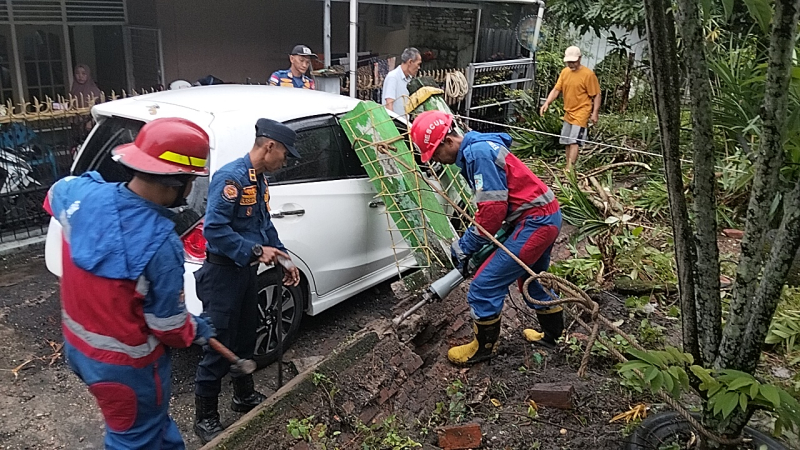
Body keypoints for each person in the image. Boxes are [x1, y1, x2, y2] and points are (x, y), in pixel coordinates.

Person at [43, 117, 216, 449]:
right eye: (192, 180)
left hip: (79, 351)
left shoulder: (77, 192)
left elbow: (53, 197)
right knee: (132, 439)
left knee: (150, 427)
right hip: (127, 371)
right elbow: (167, 326)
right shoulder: (161, 244)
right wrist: (196, 330)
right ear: (177, 181)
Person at [410, 110, 565, 366]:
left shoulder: (477, 154)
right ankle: (553, 338)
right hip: (543, 216)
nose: (436, 159)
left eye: (436, 153)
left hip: (534, 222)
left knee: (483, 285)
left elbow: (493, 211)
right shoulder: (478, 146)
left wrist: (465, 245)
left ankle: (483, 349)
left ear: (449, 141)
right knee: (533, 280)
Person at [193, 118, 302, 443]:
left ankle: (243, 396)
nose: (285, 161)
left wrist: (283, 257)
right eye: (284, 154)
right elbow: (214, 229)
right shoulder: (231, 178)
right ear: (269, 146)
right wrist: (255, 249)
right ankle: (206, 416)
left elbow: (265, 226)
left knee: (246, 337)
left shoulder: (259, 181)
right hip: (222, 275)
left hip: (245, 273)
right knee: (219, 343)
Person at [539, 46, 601, 171]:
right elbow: (557, 89)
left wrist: (594, 113)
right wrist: (547, 103)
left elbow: (597, 94)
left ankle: (570, 168)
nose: (571, 64)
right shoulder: (564, 72)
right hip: (568, 111)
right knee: (567, 140)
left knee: (574, 141)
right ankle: (568, 165)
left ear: (580, 59)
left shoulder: (588, 75)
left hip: (582, 111)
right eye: (569, 62)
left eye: (573, 61)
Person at [382, 48, 422, 116]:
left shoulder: (409, 79)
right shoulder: (393, 77)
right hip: (395, 123)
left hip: (405, 122)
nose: (419, 68)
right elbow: (389, 104)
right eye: (418, 64)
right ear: (410, 62)